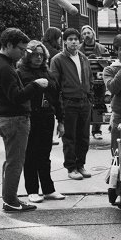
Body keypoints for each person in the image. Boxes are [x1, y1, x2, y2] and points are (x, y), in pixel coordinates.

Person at [0, 28, 48, 211]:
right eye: (21, 49)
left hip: (9, 119)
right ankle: (11, 201)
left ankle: (9, 198)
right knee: (15, 162)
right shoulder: (5, 67)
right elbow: (16, 96)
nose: (23, 53)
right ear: (8, 45)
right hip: (15, 119)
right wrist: (35, 85)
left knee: (11, 161)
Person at [17, 40, 65, 203]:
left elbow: (56, 99)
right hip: (30, 117)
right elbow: (19, 95)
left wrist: (61, 120)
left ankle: (48, 189)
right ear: (27, 55)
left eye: (41, 54)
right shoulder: (21, 72)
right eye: (35, 54)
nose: (38, 57)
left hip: (47, 117)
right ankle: (32, 190)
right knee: (30, 154)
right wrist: (35, 85)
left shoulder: (48, 72)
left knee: (45, 155)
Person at [50, 27, 94, 180]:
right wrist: (59, 106)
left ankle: (80, 165)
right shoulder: (58, 60)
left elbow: (90, 80)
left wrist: (90, 98)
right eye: (70, 39)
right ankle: (71, 168)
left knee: (84, 137)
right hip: (68, 103)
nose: (74, 42)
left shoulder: (83, 58)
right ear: (64, 41)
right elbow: (54, 84)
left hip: (84, 103)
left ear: (79, 41)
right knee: (70, 138)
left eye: (76, 39)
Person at [79, 25, 109, 140]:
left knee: (99, 105)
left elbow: (108, 64)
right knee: (85, 105)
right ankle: (84, 130)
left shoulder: (101, 48)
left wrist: (98, 59)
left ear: (93, 34)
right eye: (84, 33)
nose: (87, 35)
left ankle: (97, 130)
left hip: (99, 81)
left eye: (88, 33)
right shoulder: (79, 49)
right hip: (84, 82)